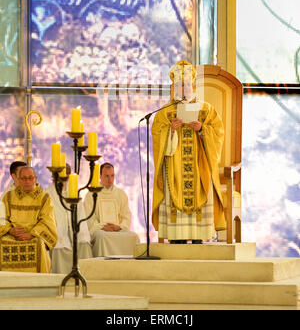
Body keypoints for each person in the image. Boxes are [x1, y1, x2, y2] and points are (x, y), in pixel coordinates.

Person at [151, 59, 226, 244]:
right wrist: (171, 130)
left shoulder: (206, 109)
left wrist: (202, 129)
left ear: (192, 85)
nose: (183, 89)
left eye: (185, 85)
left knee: (200, 196)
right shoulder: (164, 113)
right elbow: (157, 138)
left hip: (199, 168)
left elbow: (218, 134)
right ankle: (177, 241)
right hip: (175, 170)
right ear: (173, 87)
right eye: (178, 85)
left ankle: (199, 241)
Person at [0, 166, 57, 273]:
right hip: (12, 235)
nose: (27, 181)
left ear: (35, 179)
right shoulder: (8, 196)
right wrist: (10, 230)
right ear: (18, 180)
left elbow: (47, 221)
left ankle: (38, 284)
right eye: (24, 178)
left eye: (30, 178)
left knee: (39, 244)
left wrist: (32, 234)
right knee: (2, 242)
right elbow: (1, 218)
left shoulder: (44, 198)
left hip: (34, 236)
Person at [84, 163, 140, 257]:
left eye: (112, 176)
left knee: (133, 237)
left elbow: (126, 216)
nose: (110, 180)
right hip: (100, 230)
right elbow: (89, 218)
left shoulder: (121, 194)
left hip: (117, 229)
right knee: (102, 237)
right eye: (106, 176)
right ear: (100, 176)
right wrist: (102, 226)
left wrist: (119, 226)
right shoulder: (91, 194)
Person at [46, 164, 92, 273]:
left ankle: (84, 276)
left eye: (66, 177)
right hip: (57, 230)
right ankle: (61, 279)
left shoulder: (74, 192)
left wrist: (79, 232)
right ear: (54, 176)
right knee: (60, 247)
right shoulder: (48, 194)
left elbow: (80, 214)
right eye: (61, 177)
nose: (64, 180)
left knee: (84, 243)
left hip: (74, 228)